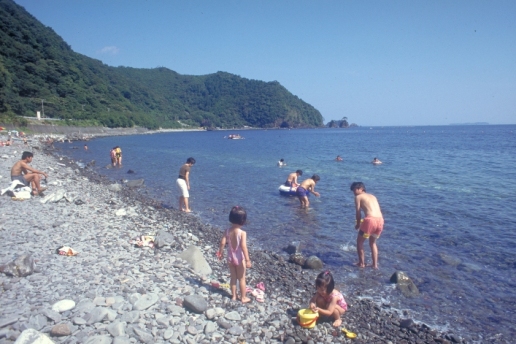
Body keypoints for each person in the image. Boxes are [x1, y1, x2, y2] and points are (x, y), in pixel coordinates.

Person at [217, 206, 252, 303]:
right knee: (241, 278)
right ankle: (243, 297)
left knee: (233, 277)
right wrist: (248, 260)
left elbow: (222, 243)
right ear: (243, 221)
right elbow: (243, 246)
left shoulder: (227, 231)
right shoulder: (242, 233)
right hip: (239, 259)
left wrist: (220, 253)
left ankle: (233, 296)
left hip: (230, 258)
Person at [350, 182, 384, 269]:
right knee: (373, 243)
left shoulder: (358, 197)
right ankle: (374, 265)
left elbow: (358, 213)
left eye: (355, 189)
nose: (354, 192)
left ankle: (361, 263)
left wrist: (358, 224)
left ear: (361, 189)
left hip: (370, 220)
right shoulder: (373, 196)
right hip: (380, 220)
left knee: (359, 242)